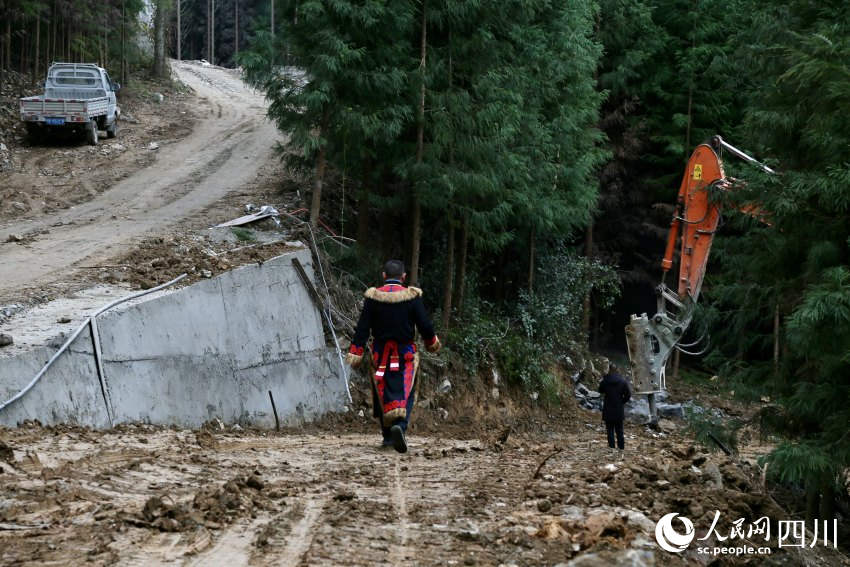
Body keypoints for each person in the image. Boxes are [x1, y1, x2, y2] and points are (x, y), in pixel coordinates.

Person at [345, 259, 441, 453]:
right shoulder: (412, 297)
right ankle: (401, 427)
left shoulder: (373, 297)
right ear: (403, 277)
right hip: (405, 356)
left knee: (381, 390)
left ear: (384, 275)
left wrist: (357, 351)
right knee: (406, 391)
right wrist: (432, 342)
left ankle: (388, 436)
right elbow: (424, 325)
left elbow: (363, 327)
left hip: (380, 356)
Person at [598, 359, 631, 458]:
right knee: (619, 430)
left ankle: (611, 449)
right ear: (617, 370)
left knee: (610, 430)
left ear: (609, 370)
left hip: (608, 409)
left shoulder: (605, 380)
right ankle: (621, 450)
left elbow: (600, 390)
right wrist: (622, 402)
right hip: (618, 409)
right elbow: (628, 395)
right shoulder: (622, 381)